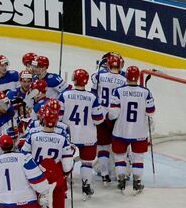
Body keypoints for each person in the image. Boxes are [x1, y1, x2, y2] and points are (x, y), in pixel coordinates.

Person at [22, 102, 75, 208]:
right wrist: (64, 174)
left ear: (43, 119)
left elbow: (24, 156)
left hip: (35, 177)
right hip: (55, 178)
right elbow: (67, 166)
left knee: (33, 207)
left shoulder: (33, 135)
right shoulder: (62, 138)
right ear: (57, 120)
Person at [108, 65, 154, 194]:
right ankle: (137, 182)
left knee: (119, 156)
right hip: (139, 132)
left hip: (120, 130)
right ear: (138, 77)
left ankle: (121, 181)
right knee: (138, 158)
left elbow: (113, 114)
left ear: (126, 76)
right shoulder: (146, 92)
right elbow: (151, 111)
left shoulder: (118, 91)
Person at [58, 69, 104, 198]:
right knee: (87, 162)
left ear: (73, 79)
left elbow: (59, 116)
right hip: (87, 135)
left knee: (64, 161)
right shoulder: (92, 97)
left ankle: (61, 186)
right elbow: (98, 119)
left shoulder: (65, 95)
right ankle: (86, 186)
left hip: (69, 135)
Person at [92, 52, 127, 183]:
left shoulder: (99, 76)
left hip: (101, 113)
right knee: (120, 146)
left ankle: (105, 174)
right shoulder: (124, 80)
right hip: (116, 115)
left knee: (102, 146)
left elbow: (94, 93)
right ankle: (121, 174)